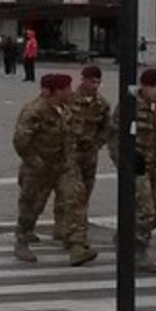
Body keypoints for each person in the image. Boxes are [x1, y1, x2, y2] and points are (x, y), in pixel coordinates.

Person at [12, 73, 97, 266]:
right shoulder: (34, 111)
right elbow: (21, 141)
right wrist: (35, 162)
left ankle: (77, 246)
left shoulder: (65, 109)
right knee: (32, 205)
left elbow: (71, 135)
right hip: (39, 168)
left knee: (75, 200)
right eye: (66, 88)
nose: (70, 92)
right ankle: (23, 240)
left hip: (65, 166)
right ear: (55, 91)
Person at [108, 68, 156, 273]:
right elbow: (114, 137)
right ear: (145, 86)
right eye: (155, 87)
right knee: (146, 211)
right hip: (136, 166)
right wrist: (124, 162)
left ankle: (125, 233)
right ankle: (138, 252)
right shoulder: (129, 105)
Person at [56, 66, 110, 243]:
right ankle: (63, 225)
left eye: (97, 82)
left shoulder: (101, 104)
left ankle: (79, 221)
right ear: (83, 80)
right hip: (70, 153)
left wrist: (97, 144)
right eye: (91, 81)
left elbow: (106, 128)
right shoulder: (69, 100)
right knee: (69, 192)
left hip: (89, 154)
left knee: (86, 189)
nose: (95, 85)